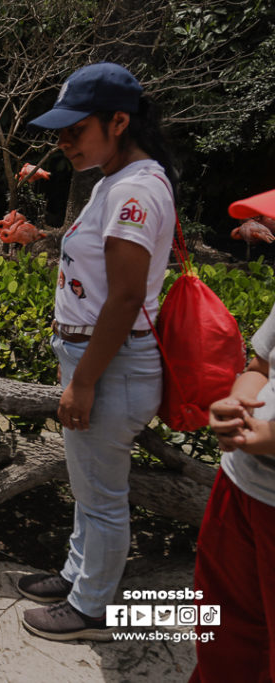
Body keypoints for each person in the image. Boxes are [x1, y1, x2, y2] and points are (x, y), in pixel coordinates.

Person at [15, 62, 178, 640]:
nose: (62, 144)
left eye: (73, 130)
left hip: (111, 365)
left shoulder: (134, 190)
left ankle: (93, 611)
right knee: (89, 485)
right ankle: (79, 576)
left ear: (118, 121)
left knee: (103, 496)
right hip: (100, 359)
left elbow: (128, 294)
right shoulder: (114, 178)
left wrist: (83, 380)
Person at [193, 188, 275, 681]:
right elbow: (261, 364)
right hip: (240, 483)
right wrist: (236, 403)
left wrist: (263, 435)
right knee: (220, 624)